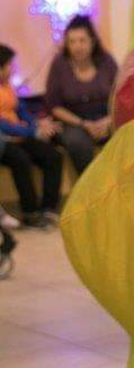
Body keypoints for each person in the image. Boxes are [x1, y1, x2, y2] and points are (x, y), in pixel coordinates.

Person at [45, 14, 119, 176]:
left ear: (92, 41)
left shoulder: (106, 61)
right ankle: (91, 187)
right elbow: (54, 106)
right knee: (78, 143)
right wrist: (84, 124)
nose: (77, 46)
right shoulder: (59, 64)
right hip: (72, 121)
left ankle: (121, 186)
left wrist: (108, 120)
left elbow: (121, 96)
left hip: (105, 117)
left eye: (82, 40)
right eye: (72, 41)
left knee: (126, 135)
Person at [0, 45, 64, 229]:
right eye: (9, 65)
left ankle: (48, 209)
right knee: (21, 160)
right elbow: (3, 126)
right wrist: (32, 132)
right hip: (4, 142)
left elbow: (21, 111)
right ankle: (30, 213)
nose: (12, 69)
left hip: (21, 136)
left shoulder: (7, 87)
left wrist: (37, 124)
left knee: (53, 156)